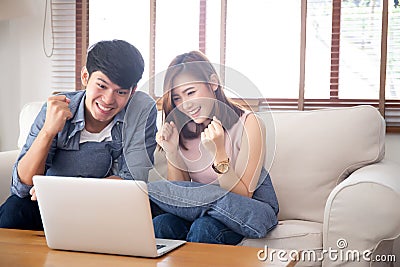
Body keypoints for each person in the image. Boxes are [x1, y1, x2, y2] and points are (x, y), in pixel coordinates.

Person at [0, 39, 157, 230]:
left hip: (103, 207)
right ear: (85, 76)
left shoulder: (141, 109)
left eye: (121, 92)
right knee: (14, 210)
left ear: (132, 91)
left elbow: (134, 182)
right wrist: (48, 131)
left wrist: (66, 193)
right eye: (101, 86)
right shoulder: (57, 107)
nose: (108, 100)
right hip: (49, 207)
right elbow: (21, 187)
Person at [149, 51, 278, 245]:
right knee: (161, 224)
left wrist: (219, 152)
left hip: (246, 211)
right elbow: (182, 193)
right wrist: (172, 152)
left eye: (191, 92)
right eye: (177, 98)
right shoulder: (184, 127)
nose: (186, 104)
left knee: (205, 228)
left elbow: (242, 196)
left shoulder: (250, 124)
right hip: (202, 211)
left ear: (213, 83)